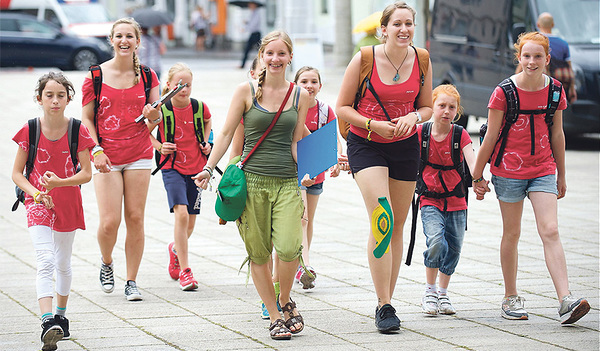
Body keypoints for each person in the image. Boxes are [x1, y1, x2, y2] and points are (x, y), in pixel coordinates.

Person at [194, 30, 310, 340]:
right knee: (259, 254)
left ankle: (285, 300)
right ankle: (274, 315)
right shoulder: (244, 92)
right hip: (252, 183)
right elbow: (226, 133)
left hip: (287, 181)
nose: (275, 59)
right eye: (269, 53)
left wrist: (310, 171)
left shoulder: (301, 95)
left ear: (289, 57)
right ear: (261, 57)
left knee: (288, 248)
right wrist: (208, 168)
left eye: (281, 54)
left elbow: (297, 141)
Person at [472, 32, 590, 325]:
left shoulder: (555, 91)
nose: (532, 61)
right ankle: (510, 297)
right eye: (527, 56)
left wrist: (561, 174)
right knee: (512, 234)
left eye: (538, 56)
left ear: (548, 59)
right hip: (508, 172)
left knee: (550, 229)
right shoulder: (504, 92)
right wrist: (476, 175)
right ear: (519, 58)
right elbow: (490, 137)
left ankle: (566, 300)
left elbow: (557, 134)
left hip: (542, 169)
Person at [335, 1, 433, 333]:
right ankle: (383, 304)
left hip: (405, 145)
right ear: (383, 29)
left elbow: (428, 107)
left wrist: (413, 117)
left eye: (409, 24)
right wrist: (372, 124)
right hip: (367, 143)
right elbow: (342, 108)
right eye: (397, 24)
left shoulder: (421, 59)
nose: (404, 29)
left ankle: (387, 299)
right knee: (383, 218)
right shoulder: (364, 59)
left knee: (398, 224)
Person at [12, 72, 94, 351]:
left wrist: (61, 182)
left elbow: (86, 174)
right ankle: (47, 321)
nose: (55, 100)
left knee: (63, 263)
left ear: (69, 98)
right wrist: (35, 193)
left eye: (61, 95)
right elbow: (16, 173)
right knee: (45, 259)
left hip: (68, 201)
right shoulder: (30, 129)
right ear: (39, 98)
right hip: (37, 203)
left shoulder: (78, 130)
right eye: (49, 95)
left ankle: (60, 316)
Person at [81, 18, 161, 301]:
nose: (124, 41)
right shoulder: (95, 76)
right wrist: (96, 151)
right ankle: (106, 262)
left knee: (136, 217)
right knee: (108, 222)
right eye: (119, 36)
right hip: (107, 156)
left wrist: (154, 116)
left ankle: (131, 280)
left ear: (138, 41)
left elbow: (156, 119)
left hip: (139, 153)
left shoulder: (149, 77)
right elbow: (87, 120)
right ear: (111, 40)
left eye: (130, 36)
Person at [149, 62, 212, 291]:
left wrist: (208, 143)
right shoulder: (161, 109)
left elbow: (207, 122)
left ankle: (175, 249)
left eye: (188, 85)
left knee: (190, 221)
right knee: (182, 214)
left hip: (197, 169)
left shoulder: (199, 107)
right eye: (179, 84)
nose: (184, 89)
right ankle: (186, 270)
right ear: (168, 85)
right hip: (171, 168)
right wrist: (159, 146)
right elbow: (144, 134)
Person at [416, 84, 476, 316]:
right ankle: (430, 291)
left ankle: (443, 292)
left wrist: (479, 178)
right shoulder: (421, 133)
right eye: (441, 106)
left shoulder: (460, 134)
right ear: (432, 107)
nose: (446, 111)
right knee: (436, 242)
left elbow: (472, 159)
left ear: (457, 111)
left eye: (452, 107)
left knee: (454, 249)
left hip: (457, 200)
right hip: (429, 199)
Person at [293, 66, 341, 289]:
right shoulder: (292, 109)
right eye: (304, 81)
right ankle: (304, 265)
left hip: (318, 171)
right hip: (296, 170)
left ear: (320, 86)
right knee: (301, 218)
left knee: (308, 219)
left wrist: (336, 160)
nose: (309, 86)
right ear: (295, 85)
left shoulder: (324, 110)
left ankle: (302, 262)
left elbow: (334, 138)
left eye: (313, 81)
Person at [537, 12, 577, 103]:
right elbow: (569, 67)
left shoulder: (535, 41)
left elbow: (521, 66)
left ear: (538, 24)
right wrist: (572, 88)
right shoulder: (563, 43)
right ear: (553, 25)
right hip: (558, 85)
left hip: (540, 84)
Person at [239, 1, 262, 69]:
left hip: (256, 34)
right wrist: (246, 23)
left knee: (259, 50)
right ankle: (243, 64)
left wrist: (245, 29)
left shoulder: (257, 14)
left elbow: (253, 25)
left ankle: (262, 64)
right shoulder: (252, 13)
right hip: (253, 34)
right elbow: (251, 23)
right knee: (248, 49)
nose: (249, 6)